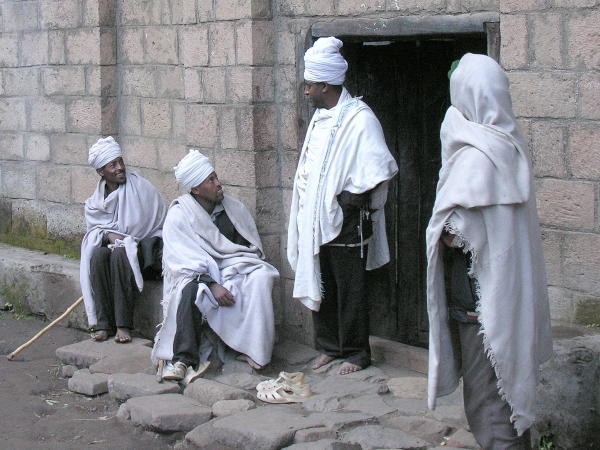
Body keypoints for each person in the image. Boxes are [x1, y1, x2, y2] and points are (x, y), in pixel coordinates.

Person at [425, 53, 553, 449]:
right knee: (505, 396)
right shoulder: (511, 146)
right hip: (508, 297)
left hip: (479, 304)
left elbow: (456, 235)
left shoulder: (476, 157)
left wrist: (443, 232)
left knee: (488, 404)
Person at [287, 37, 398, 375]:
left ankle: (356, 353)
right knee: (322, 282)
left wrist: (348, 200)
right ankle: (330, 347)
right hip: (315, 218)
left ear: (325, 85)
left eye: (309, 85)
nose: (306, 91)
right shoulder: (320, 119)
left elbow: (380, 168)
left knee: (350, 289)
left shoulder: (360, 119)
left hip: (347, 220)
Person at [151, 150, 279, 381]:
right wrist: (211, 283)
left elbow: (246, 250)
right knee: (190, 291)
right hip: (196, 275)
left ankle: (255, 351)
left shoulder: (233, 209)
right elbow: (182, 261)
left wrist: (236, 269)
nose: (219, 184)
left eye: (216, 177)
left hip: (231, 269)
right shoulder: (179, 216)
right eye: (211, 181)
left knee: (261, 276)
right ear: (195, 189)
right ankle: (183, 360)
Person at [80, 136, 166, 343]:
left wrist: (125, 240)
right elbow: (94, 233)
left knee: (121, 253)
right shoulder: (95, 202)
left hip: (146, 251)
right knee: (98, 255)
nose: (120, 168)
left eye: (121, 162)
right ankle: (103, 325)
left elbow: (156, 224)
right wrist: (108, 235)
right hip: (115, 250)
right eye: (113, 165)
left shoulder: (140, 188)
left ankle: (123, 325)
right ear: (101, 172)